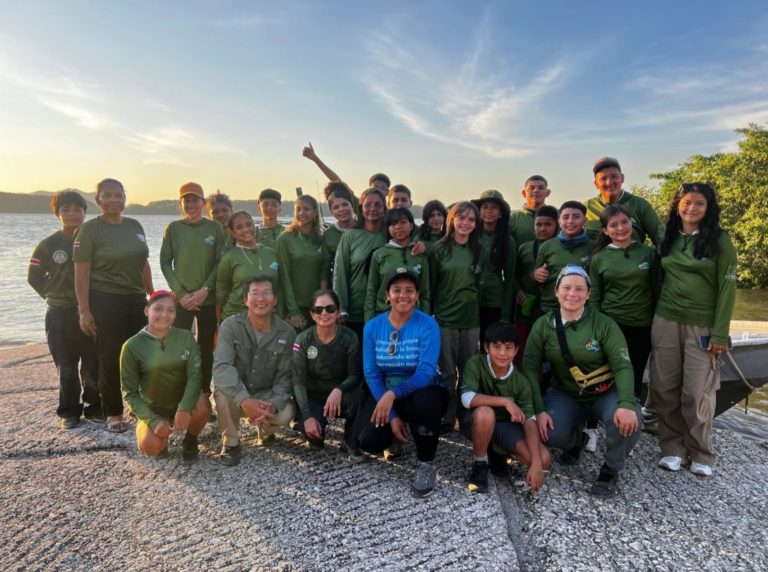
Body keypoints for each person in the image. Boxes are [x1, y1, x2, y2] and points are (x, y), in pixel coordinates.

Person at [523, 266, 641, 497]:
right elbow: (529, 367)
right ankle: (577, 440)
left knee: (627, 421)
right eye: (566, 288)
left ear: (588, 294)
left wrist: (626, 403)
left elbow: (623, 365)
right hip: (566, 393)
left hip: (606, 392)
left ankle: (611, 468)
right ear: (556, 291)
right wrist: (538, 409)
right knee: (550, 431)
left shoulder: (604, 324)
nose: (572, 294)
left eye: (579, 289)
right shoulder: (543, 325)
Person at [650, 183, 737, 477]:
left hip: (702, 323)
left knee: (696, 392)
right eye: (686, 202)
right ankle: (672, 448)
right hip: (665, 320)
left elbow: (727, 287)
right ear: (677, 205)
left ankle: (701, 452)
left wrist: (720, 333)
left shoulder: (720, 240)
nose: (691, 208)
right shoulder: (669, 238)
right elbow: (657, 279)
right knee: (664, 387)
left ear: (708, 207)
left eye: (699, 203)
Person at [351, 269, 447, 497]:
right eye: (396, 290)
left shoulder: (427, 325)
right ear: (387, 295)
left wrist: (392, 395)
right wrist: (392, 415)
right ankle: (395, 434)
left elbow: (425, 372)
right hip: (387, 393)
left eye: (409, 291)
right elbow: (372, 374)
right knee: (368, 441)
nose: (402, 296)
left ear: (417, 296)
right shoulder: (373, 327)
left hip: (424, 391)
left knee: (423, 403)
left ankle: (426, 464)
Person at [74, 178, 153, 434]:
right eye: (107, 195)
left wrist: (153, 295)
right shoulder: (90, 230)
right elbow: (81, 273)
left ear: (124, 197)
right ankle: (114, 412)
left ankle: (140, 407)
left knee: (141, 354)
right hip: (105, 299)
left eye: (118, 195)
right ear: (98, 199)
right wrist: (84, 310)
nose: (114, 200)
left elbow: (143, 263)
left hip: (136, 298)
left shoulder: (134, 226)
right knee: (109, 357)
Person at [28, 190, 100, 429]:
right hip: (59, 312)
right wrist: (52, 296)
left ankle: (94, 406)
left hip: (89, 310)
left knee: (92, 362)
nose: (72, 214)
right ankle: (69, 410)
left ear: (84, 212)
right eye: (66, 209)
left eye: (77, 209)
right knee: (66, 365)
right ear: (57, 213)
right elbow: (34, 277)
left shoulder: (93, 239)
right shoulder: (49, 244)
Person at [212, 276, 297, 466]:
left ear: (275, 300)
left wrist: (273, 404)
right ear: (245, 300)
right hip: (238, 393)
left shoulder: (287, 332)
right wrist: (244, 399)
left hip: (265, 394)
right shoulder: (230, 326)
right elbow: (222, 368)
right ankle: (231, 442)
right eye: (255, 293)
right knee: (222, 394)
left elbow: (286, 377)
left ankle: (265, 430)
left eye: (267, 293)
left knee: (286, 411)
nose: (261, 299)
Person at [460, 322, 551, 493]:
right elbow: (466, 398)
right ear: (486, 347)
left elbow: (530, 421)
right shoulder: (476, 363)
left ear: (516, 351)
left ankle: (497, 451)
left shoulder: (521, 381)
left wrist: (537, 465)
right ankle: (480, 463)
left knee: (544, 458)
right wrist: (505, 401)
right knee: (485, 413)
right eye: (496, 347)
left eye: (508, 348)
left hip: (504, 427)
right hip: (476, 422)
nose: (502, 353)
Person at [120, 291, 211, 460]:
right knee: (151, 447)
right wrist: (153, 421)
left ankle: (190, 440)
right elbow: (130, 393)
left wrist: (184, 407)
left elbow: (195, 376)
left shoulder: (185, 337)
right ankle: (161, 437)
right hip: (153, 406)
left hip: (183, 400)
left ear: (176, 314)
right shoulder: (132, 346)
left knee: (204, 405)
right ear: (147, 310)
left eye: (171, 310)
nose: (164, 315)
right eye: (158, 309)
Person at [160, 182, 225, 395]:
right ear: (181, 204)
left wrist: (205, 289)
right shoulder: (174, 229)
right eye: (186, 201)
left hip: (206, 299)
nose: (190, 204)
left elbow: (220, 262)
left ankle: (204, 392)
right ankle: (178, 394)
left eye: (194, 200)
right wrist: (180, 293)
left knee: (206, 348)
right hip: (182, 300)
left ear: (203, 202)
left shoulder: (214, 228)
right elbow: (164, 262)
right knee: (178, 348)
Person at [589, 204, 659, 400]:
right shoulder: (599, 258)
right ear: (605, 230)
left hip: (642, 325)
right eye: (613, 225)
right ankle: (605, 416)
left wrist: (656, 320)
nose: (620, 228)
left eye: (624, 222)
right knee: (608, 371)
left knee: (635, 371)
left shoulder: (648, 253)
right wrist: (597, 325)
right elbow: (594, 295)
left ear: (632, 223)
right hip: (611, 324)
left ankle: (632, 413)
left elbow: (657, 289)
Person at [428, 201, 482, 433]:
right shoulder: (438, 249)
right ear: (452, 219)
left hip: (471, 319)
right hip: (445, 319)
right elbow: (430, 285)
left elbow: (480, 283)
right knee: (448, 371)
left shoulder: (478, 250)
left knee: (469, 370)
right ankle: (448, 415)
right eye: (461, 218)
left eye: (471, 219)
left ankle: (466, 415)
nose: (466, 223)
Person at [291, 289, 362, 450]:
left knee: (359, 396)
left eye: (330, 309)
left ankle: (350, 439)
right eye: (318, 309)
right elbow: (298, 381)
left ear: (337, 312)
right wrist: (308, 417)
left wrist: (339, 389)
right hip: (314, 396)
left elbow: (355, 375)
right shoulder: (302, 340)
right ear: (312, 314)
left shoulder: (350, 337)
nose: (324, 313)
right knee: (314, 439)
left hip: (341, 394)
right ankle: (313, 423)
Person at [333, 188, 388, 339]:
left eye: (378, 205)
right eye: (367, 205)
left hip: (384, 311)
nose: (372, 209)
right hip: (354, 313)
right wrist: (341, 307)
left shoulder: (390, 236)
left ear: (384, 208)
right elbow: (339, 273)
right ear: (361, 208)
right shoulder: (350, 236)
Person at [365, 208, 430, 321]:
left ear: (411, 225)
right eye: (393, 223)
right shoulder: (379, 254)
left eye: (403, 222)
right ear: (388, 228)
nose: (398, 227)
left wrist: (424, 321)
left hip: (413, 318)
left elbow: (425, 293)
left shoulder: (421, 257)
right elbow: (371, 291)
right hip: (383, 317)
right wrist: (369, 323)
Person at [513, 205, 559, 366]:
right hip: (527, 307)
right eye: (539, 225)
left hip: (552, 308)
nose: (543, 229)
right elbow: (514, 275)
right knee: (523, 350)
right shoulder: (524, 248)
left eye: (548, 225)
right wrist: (518, 290)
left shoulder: (562, 248)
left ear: (556, 225)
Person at [215, 211, 280, 321]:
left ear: (254, 226)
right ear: (233, 233)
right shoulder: (229, 258)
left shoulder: (271, 253)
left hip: (267, 316)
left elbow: (279, 288)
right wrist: (218, 322)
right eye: (239, 227)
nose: (245, 229)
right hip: (236, 316)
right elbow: (221, 292)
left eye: (249, 224)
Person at [585, 157, 662, 245]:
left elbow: (661, 238)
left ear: (622, 178)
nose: (609, 182)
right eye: (603, 179)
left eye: (614, 176)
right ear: (596, 184)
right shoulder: (585, 209)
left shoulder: (640, 205)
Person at [472, 190, 516, 344]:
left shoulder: (507, 240)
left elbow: (510, 278)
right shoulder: (470, 235)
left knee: (490, 344)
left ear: (501, 213)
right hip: (470, 300)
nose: (489, 210)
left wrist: (505, 313)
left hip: (494, 302)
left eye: (494, 207)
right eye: (485, 206)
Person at [534, 201, 593, 313]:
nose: (570, 221)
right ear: (559, 222)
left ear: (585, 221)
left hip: (581, 309)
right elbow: (537, 278)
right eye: (565, 217)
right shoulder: (547, 246)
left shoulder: (593, 247)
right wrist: (536, 275)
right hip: (550, 308)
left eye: (576, 217)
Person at [277, 195, 325, 331]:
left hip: (317, 305)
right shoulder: (286, 238)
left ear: (315, 212)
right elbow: (284, 276)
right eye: (298, 209)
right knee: (296, 349)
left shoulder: (320, 238)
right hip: (294, 307)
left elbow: (324, 270)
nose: (301, 213)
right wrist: (293, 311)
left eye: (306, 209)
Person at [320, 183, 357, 287]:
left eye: (345, 204)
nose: (341, 209)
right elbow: (325, 268)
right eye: (336, 207)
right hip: (338, 285)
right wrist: (324, 292)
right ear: (331, 212)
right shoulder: (328, 234)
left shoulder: (362, 228)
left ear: (352, 206)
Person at [509, 175, 552, 247]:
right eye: (531, 188)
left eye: (541, 188)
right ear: (524, 193)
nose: (536, 190)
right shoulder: (512, 218)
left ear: (547, 193)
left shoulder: (557, 217)